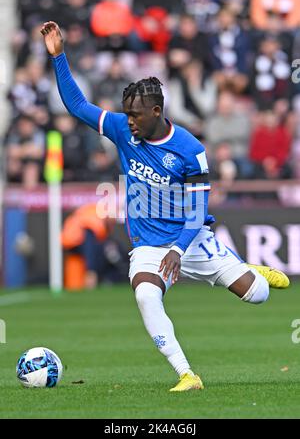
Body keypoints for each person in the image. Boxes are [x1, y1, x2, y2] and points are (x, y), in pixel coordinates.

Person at [41, 21, 290, 392]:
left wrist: (177, 249)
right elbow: (77, 106)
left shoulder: (190, 151)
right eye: (126, 114)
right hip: (148, 244)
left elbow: (196, 210)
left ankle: (247, 268)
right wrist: (60, 56)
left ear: (156, 111)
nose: (128, 122)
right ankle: (186, 374)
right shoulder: (124, 130)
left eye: (135, 115)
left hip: (189, 239)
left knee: (258, 295)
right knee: (145, 293)